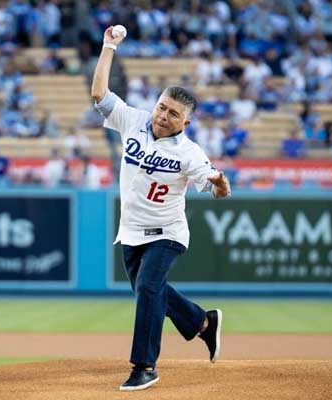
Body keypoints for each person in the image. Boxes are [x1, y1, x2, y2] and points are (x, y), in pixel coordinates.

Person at [92, 24, 232, 392]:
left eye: (173, 113)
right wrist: (109, 47)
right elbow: (99, 94)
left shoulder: (189, 153)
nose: (163, 115)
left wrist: (219, 185)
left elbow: (213, 184)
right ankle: (203, 323)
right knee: (148, 290)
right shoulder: (133, 120)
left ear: (186, 122)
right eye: (161, 107)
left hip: (168, 232)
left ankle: (145, 366)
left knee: (149, 288)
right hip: (132, 230)